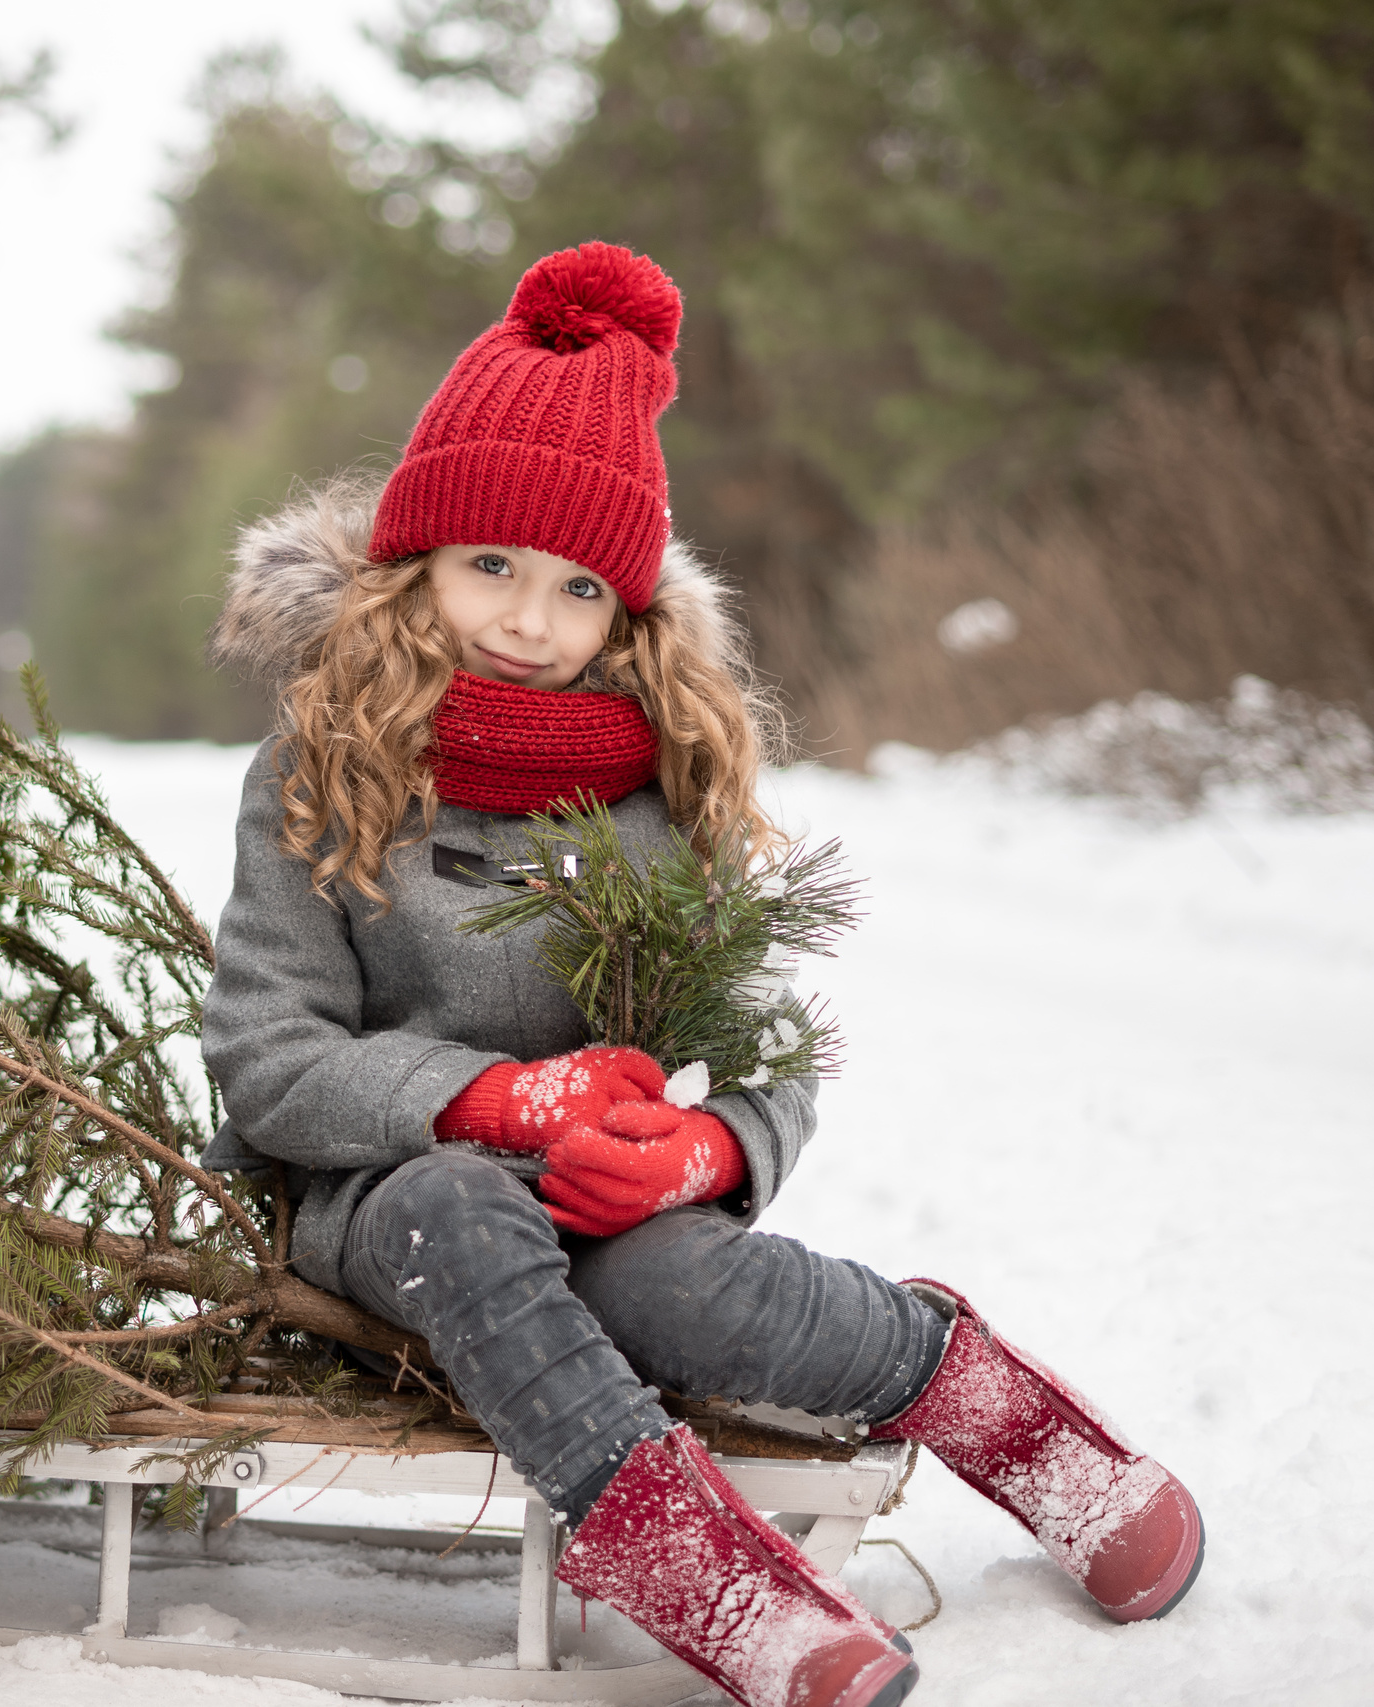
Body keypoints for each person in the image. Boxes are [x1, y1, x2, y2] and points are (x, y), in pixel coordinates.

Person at [196, 243, 1204, 1707]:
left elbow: (768, 1044)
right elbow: (267, 1055)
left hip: (611, 1205)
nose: (528, 622)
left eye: (578, 588)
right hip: (391, 1205)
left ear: (629, 612)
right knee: (461, 1207)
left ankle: (979, 1397)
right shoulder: (319, 766)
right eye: (490, 567)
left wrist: (705, 1147)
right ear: (416, 560)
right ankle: (710, 1578)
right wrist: (493, 1103)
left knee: (678, 1287)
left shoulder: (664, 792)